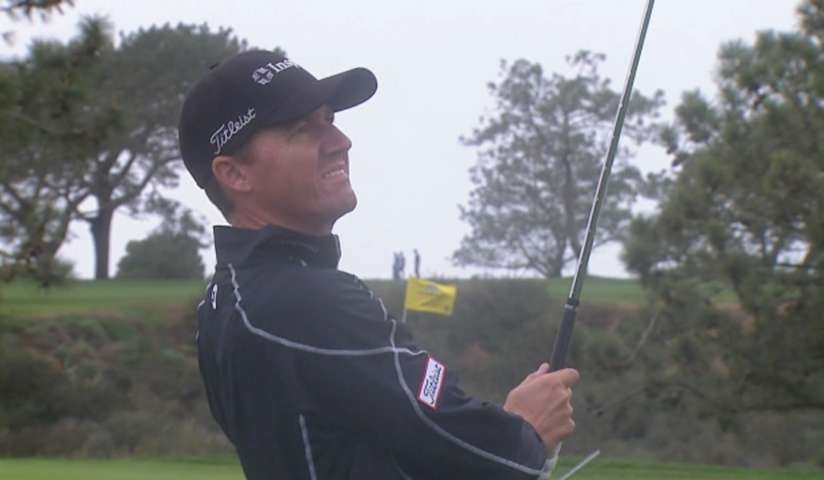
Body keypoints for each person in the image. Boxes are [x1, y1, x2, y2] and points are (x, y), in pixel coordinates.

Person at [179, 50, 579, 480]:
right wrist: (526, 434)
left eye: (329, 120)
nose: (339, 142)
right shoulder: (307, 302)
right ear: (235, 174)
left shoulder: (223, 303)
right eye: (301, 129)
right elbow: (449, 430)